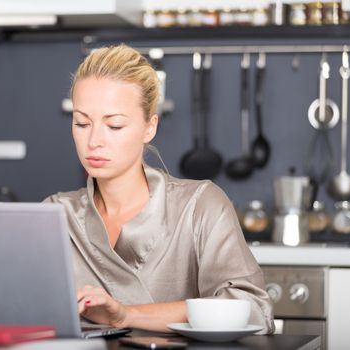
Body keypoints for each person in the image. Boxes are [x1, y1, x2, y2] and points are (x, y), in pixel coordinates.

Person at [44, 44, 274, 334]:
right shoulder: (55, 215)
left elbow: (252, 309)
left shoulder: (200, 206)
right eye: (81, 123)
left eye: (114, 126)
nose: (94, 140)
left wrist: (126, 315)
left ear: (149, 127)